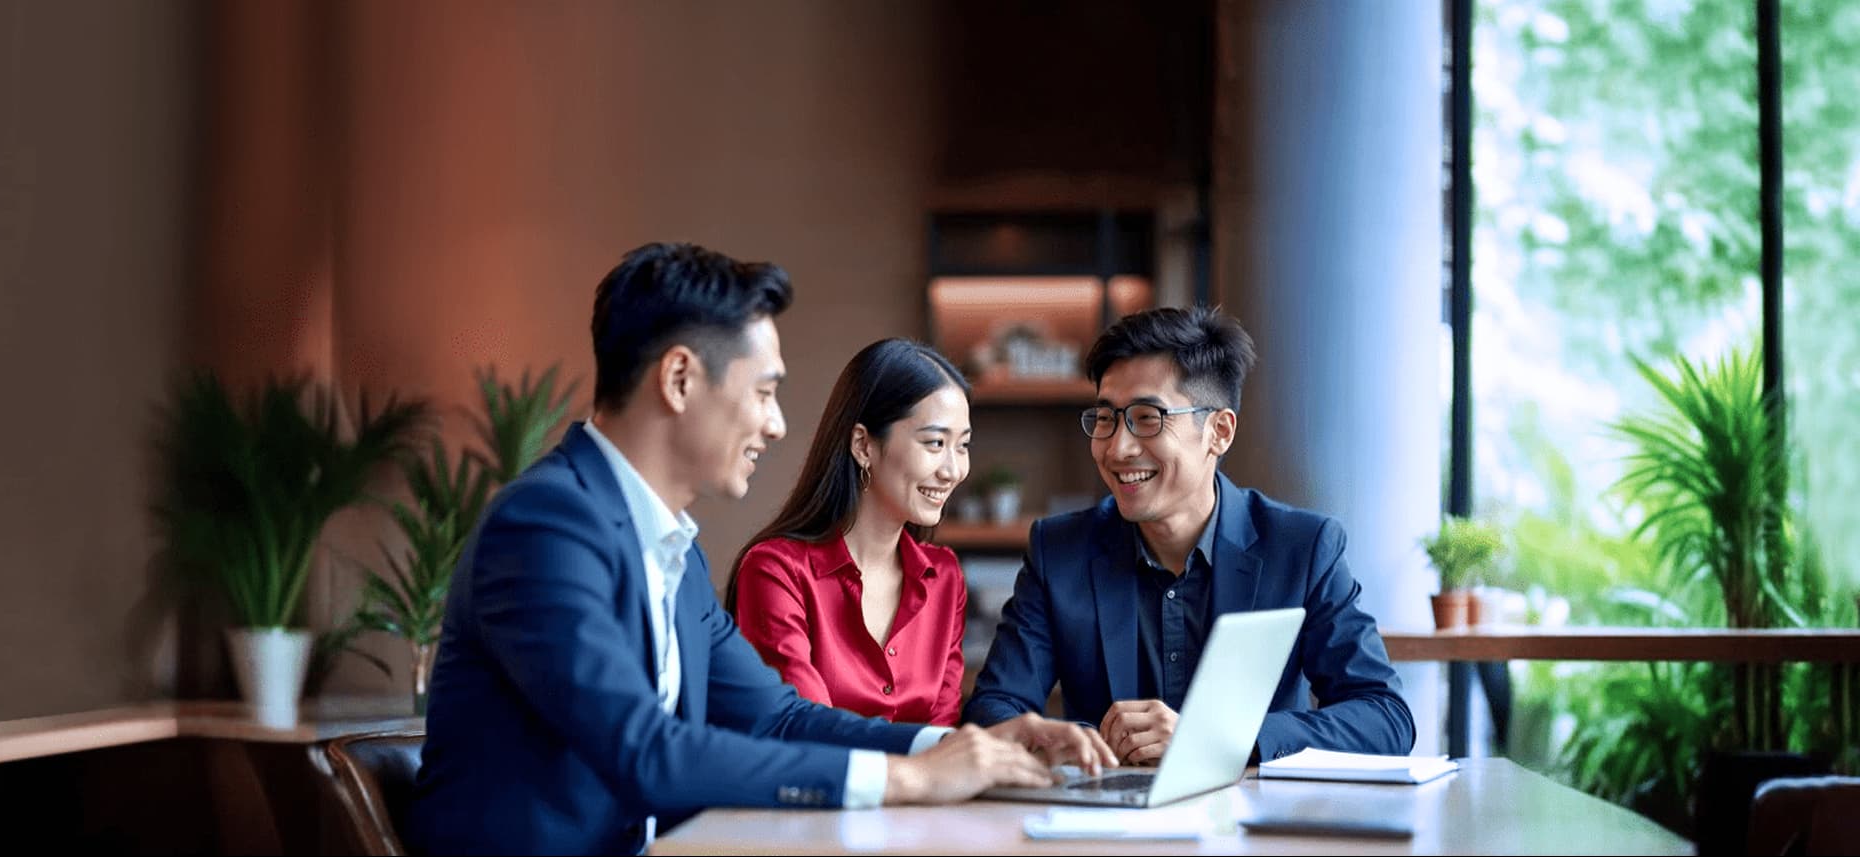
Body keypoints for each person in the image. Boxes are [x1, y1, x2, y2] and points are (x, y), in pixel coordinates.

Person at [407, 243, 1112, 856]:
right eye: (765, 391)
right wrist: (910, 778)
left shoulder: (667, 547)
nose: (776, 425)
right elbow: (644, 750)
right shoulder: (546, 523)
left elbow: (777, 715)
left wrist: (958, 749)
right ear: (680, 378)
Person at [963, 305, 1414, 766]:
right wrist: (1077, 740)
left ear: (1218, 431)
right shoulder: (1060, 551)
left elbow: (1384, 718)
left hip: (1253, 826)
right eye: (1105, 418)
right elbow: (993, 710)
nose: (1118, 448)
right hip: (1106, 827)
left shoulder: (1302, 548)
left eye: (1147, 417)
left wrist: (1219, 739)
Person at [730, 338, 981, 727]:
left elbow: (942, 730)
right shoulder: (776, 571)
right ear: (864, 445)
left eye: (962, 446)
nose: (952, 470)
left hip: (929, 789)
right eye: (935, 443)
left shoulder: (944, 577)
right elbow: (801, 727)